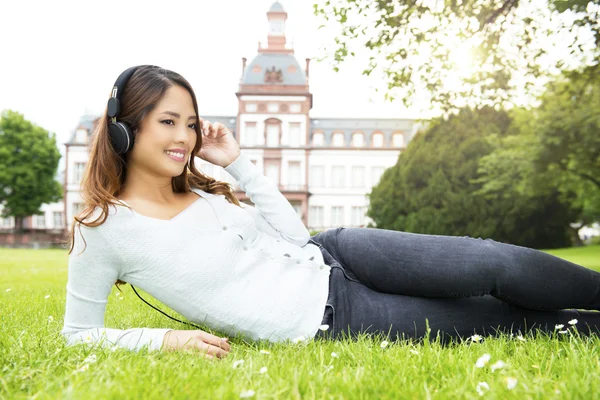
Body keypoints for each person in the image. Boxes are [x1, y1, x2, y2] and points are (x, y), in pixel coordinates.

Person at [61, 65, 600, 360]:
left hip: (339, 250)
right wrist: (166, 339)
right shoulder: (103, 231)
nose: (185, 138)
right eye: (168, 122)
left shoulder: (202, 191)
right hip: (332, 318)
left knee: (491, 264)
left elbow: (298, 238)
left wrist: (240, 165)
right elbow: (79, 334)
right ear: (123, 129)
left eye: (191, 123)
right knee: (501, 323)